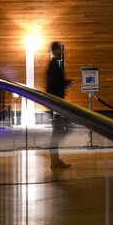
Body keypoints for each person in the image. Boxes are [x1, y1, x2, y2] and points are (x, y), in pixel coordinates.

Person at [47, 41, 72, 170]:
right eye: (61, 50)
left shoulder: (54, 65)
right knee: (61, 130)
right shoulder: (53, 65)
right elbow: (52, 86)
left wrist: (65, 83)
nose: (62, 52)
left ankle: (55, 160)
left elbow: (55, 84)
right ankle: (54, 158)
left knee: (58, 131)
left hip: (56, 104)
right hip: (56, 105)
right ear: (56, 50)